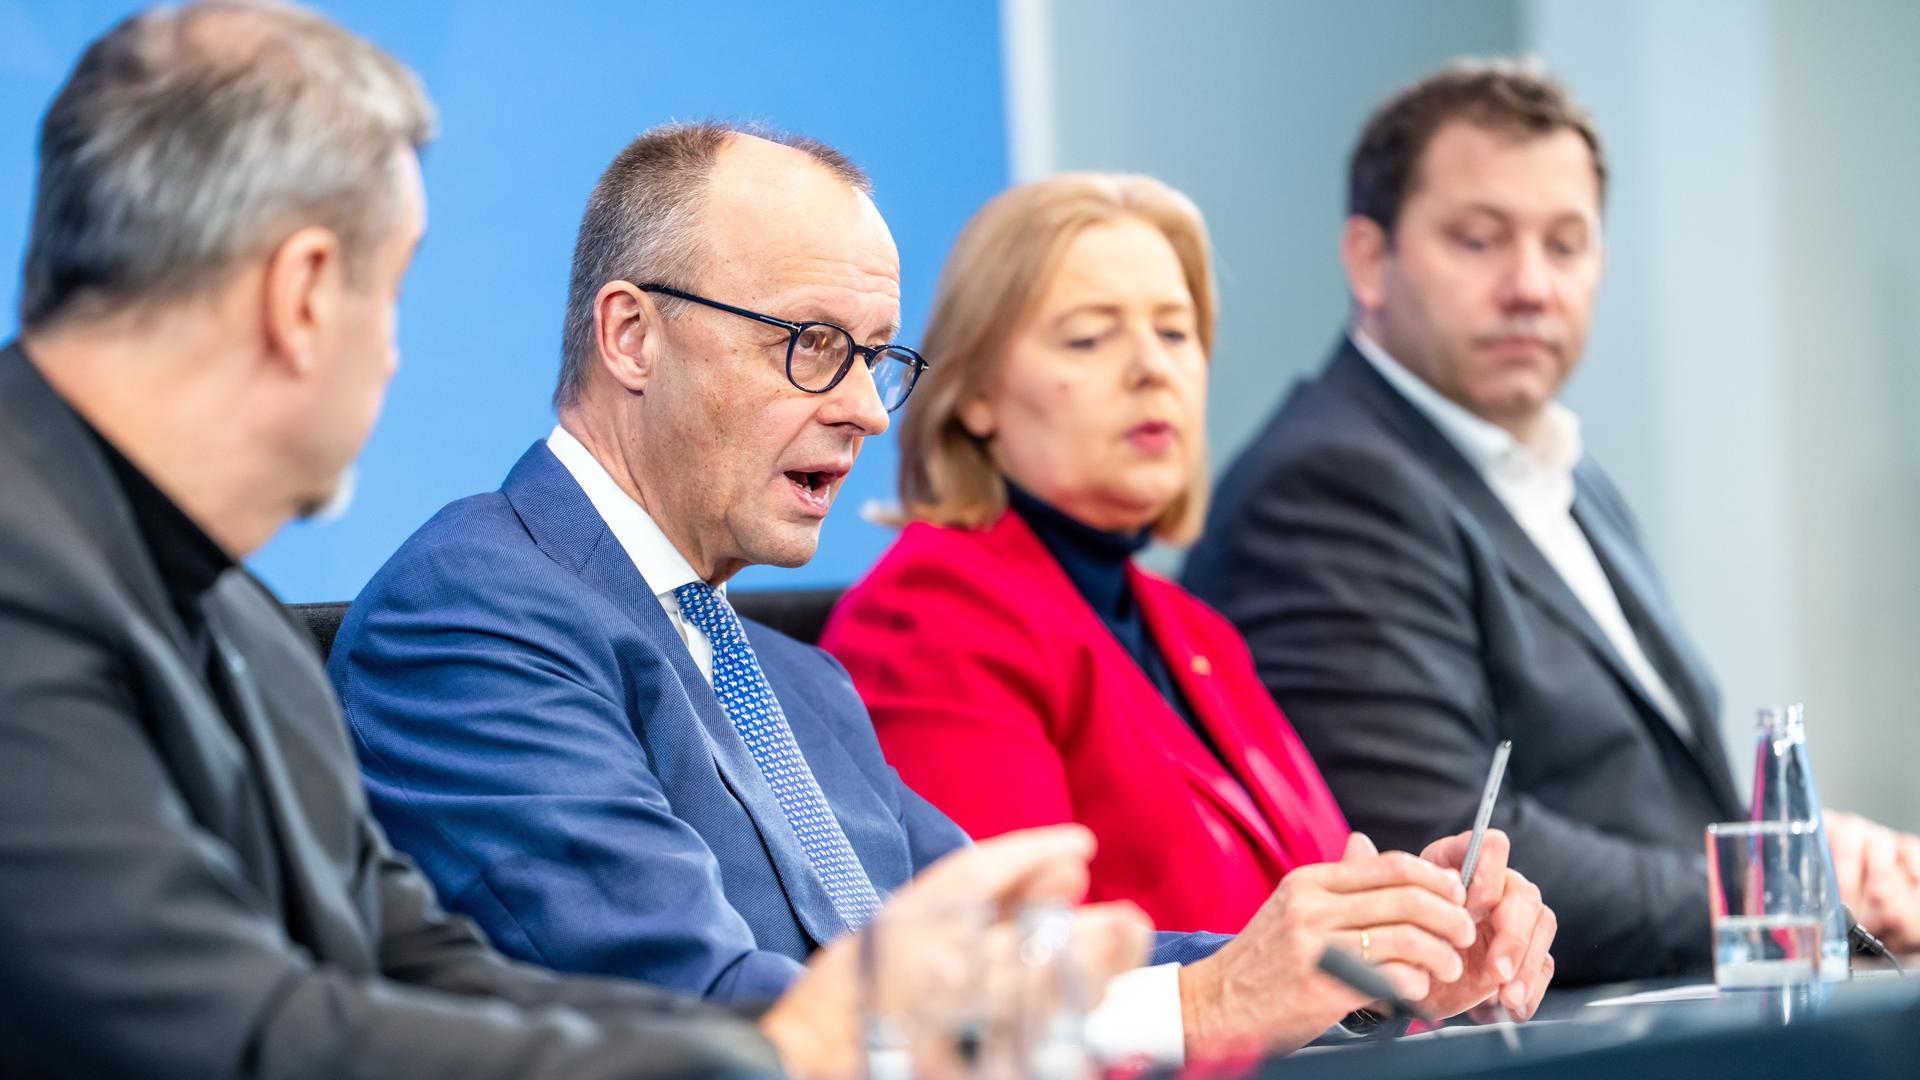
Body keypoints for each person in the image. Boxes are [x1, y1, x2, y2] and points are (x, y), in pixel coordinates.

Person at [0, 5, 1152, 1078]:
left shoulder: (222, 605)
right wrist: (793, 1050)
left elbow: (427, 968)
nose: (394, 360)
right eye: (393, 294)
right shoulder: (29, 580)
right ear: (306, 294)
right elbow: (245, 1030)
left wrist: (811, 1037)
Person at [330, 124, 1537, 1063]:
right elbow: (699, 1025)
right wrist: (1208, 1004)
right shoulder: (473, 615)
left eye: (877, 359)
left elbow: (1017, 966)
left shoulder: (792, 678)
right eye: (809, 345)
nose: (861, 407)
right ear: (633, 336)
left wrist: (1350, 965)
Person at [1180, 59, 1920, 984]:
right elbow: (1456, 847)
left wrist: (1819, 863)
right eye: (1480, 240)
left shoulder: (1560, 469)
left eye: (1566, 245)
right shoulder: (1329, 484)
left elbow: (1640, 804)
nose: (1531, 284)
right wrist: (1777, 894)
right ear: (1372, 260)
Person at [821, 170, 1555, 1021]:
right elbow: (1001, 992)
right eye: (1091, 339)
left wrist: (1410, 957)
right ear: (977, 395)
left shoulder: (1192, 628)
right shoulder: (931, 618)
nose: (1151, 369)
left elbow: (1291, 951)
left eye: (1176, 333)